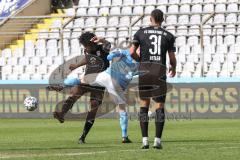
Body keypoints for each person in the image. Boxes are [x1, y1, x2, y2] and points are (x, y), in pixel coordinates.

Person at [48, 32, 131, 143]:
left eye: (85, 45)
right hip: (87, 79)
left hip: (99, 82)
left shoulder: (103, 48)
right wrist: (76, 66)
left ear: (91, 43)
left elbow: (109, 45)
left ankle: (83, 137)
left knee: (93, 108)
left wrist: (103, 40)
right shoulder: (87, 50)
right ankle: (61, 114)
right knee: (73, 95)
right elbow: (87, 59)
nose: (85, 48)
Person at [130, 9, 177, 149]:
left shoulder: (140, 33)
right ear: (163, 19)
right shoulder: (169, 36)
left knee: (144, 104)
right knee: (160, 106)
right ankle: (157, 141)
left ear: (150, 19)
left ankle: (145, 140)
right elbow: (172, 58)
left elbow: (131, 52)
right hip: (159, 71)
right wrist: (173, 68)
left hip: (144, 71)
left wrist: (141, 61)